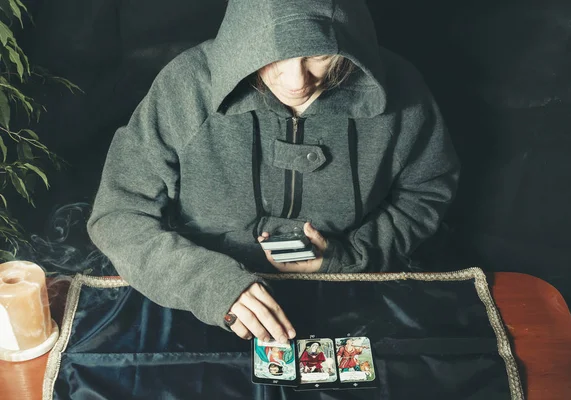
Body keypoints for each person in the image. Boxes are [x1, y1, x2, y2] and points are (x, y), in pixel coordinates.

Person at [87, 0, 459, 345]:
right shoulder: (186, 86)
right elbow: (118, 214)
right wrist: (210, 284)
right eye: (274, 56)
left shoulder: (403, 88)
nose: (297, 82)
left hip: (352, 290)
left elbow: (426, 191)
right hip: (195, 295)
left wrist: (349, 255)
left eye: (317, 54)